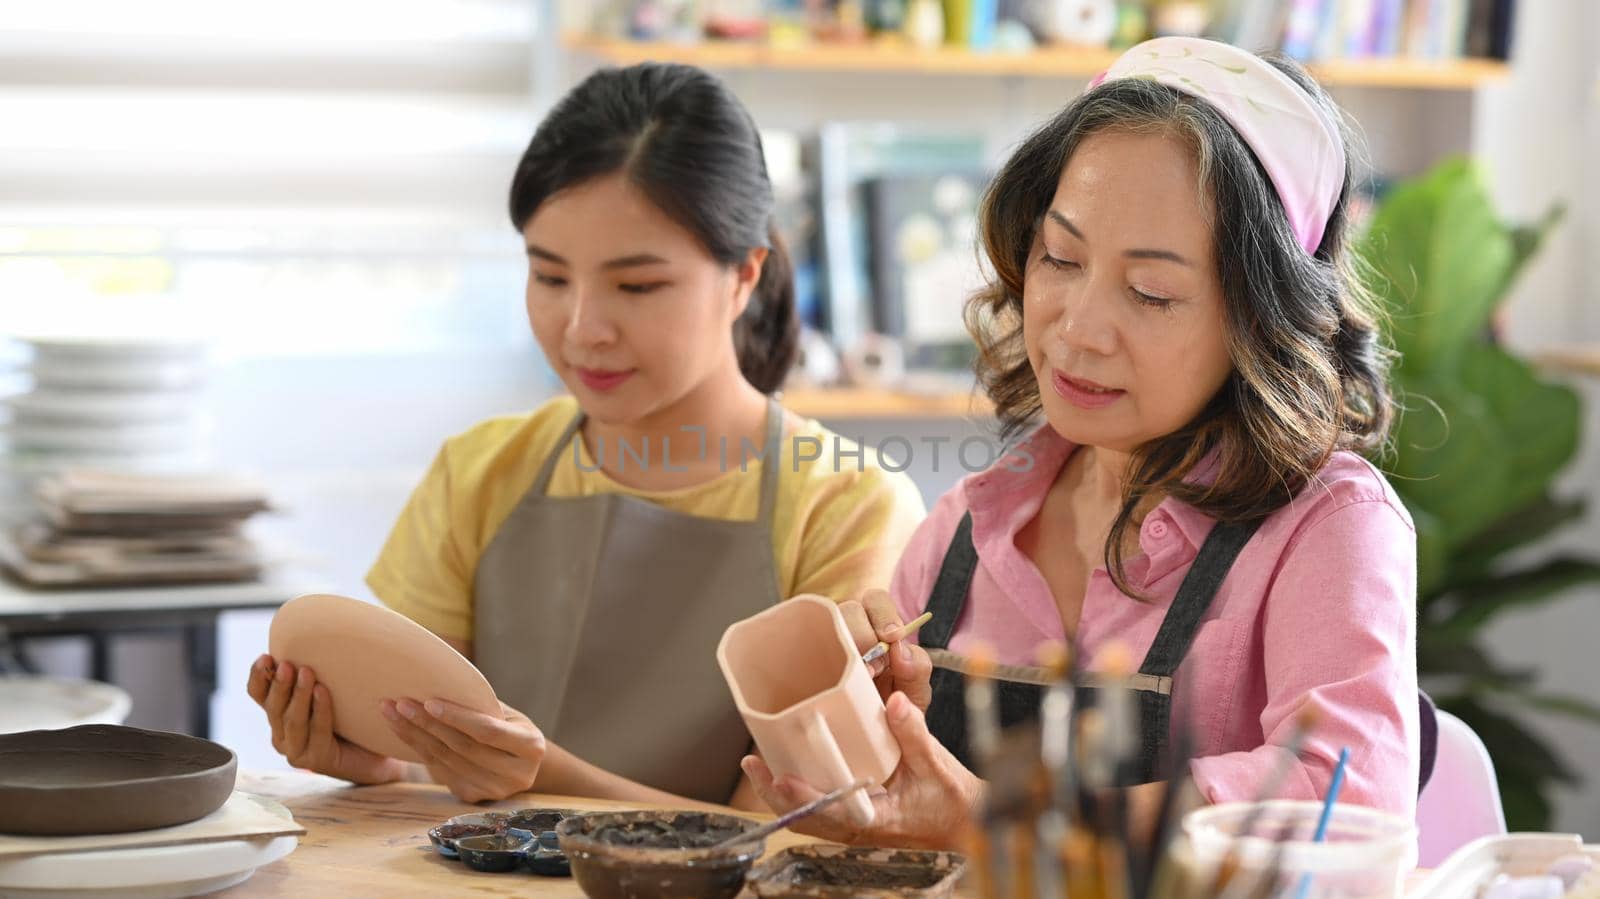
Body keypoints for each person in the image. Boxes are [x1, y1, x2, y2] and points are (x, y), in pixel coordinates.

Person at [745, 37, 1418, 847]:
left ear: (1259, 318)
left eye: (1150, 292)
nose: (1078, 327)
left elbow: (1349, 806)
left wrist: (999, 820)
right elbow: (913, 819)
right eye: (1060, 257)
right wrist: (869, 735)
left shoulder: (1328, 528)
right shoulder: (965, 528)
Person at [247, 62, 926, 808]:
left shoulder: (849, 503)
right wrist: (377, 760)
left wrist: (544, 776)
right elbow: (421, 765)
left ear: (744, 276)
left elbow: (793, 831)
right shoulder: (481, 471)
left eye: (636, 286)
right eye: (549, 276)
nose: (582, 330)